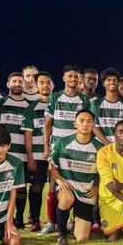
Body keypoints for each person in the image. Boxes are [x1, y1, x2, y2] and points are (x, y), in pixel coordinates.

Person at [40, 65, 92, 235]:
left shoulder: (84, 100)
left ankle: (73, 219)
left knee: (78, 182)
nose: (73, 79)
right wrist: (47, 146)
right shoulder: (54, 98)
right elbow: (47, 123)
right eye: (70, 76)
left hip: (78, 149)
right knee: (54, 184)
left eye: (76, 77)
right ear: (63, 78)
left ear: (79, 80)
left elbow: (87, 123)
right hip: (58, 148)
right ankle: (50, 222)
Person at [48, 109, 104, 245]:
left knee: (82, 238)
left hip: (86, 192)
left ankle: (72, 224)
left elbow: (102, 172)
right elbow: (52, 166)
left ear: (93, 125)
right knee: (67, 197)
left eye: (89, 121)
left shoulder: (99, 148)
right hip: (68, 188)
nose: (85, 124)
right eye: (82, 121)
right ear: (75, 124)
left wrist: (96, 186)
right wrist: (60, 181)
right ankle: (62, 236)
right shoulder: (62, 143)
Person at [22, 71, 54, 232]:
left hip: (57, 154)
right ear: (37, 86)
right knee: (37, 186)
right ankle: (35, 219)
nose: (45, 85)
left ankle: (55, 219)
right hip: (38, 154)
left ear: (53, 85)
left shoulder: (57, 104)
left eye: (48, 82)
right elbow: (27, 136)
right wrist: (30, 157)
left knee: (58, 187)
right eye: (42, 82)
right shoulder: (31, 109)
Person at [0, 72, 30, 229]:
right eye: (14, 81)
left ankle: (20, 217)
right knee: (4, 185)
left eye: (20, 81)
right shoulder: (2, 103)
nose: (17, 84)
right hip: (5, 154)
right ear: (8, 84)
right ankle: (3, 218)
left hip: (22, 153)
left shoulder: (29, 105)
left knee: (21, 187)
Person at [91, 68, 123, 143]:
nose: (112, 82)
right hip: (101, 146)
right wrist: (108, 144)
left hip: (120, 147)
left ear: (118, 83)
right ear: (103, 83)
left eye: (114, 80)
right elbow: (95, 128)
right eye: (108, 80)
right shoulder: (96, 104)